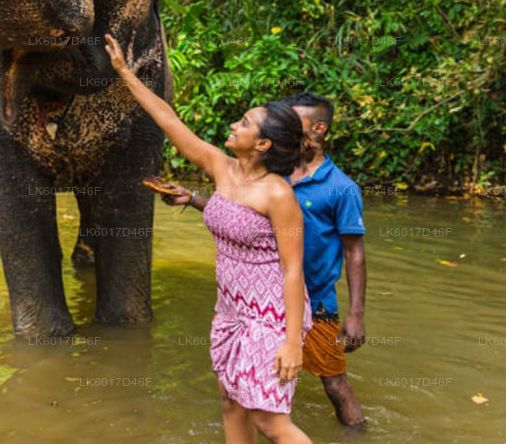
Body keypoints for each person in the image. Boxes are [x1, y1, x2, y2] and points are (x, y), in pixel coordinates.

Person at [105, 36, 313, 444]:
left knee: (270, 422)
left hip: (270, 316)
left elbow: (292, 271)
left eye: (244, 124)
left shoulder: (278, 195)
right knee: (231, 402)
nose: (233, 126)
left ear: (263, 144)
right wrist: (125, 73)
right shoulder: (222, 167)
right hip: (231, 309)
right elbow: (169, 122)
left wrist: (293, 343)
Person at [159, 92, 367, 427]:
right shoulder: (275, 174)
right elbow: (243, 220)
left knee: (333, 382)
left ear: (318, 129)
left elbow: (354, 252)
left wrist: (356, 313)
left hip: (312, 302)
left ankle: (357, 434)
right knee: (248, 400)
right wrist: (195, 199)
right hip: (257, 304)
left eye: (294, 124)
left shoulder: (339, 189)